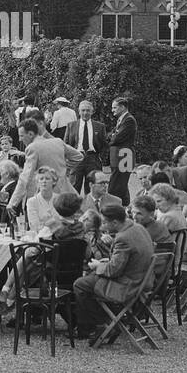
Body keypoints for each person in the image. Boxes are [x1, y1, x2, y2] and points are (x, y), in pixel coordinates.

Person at [73, 203, 154, 343]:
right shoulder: (138, 228)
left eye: (104, 222)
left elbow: (113, 271)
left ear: (115, 222)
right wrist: (106, 262)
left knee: (80, 284)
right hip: (142, 279)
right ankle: (105, 322)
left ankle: (102, 324)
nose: (102, 226)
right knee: (89, 279)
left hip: (127, 285)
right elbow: (122, 262)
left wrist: (98, 266)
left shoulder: (123, 238)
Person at [9, 118, 82, 207]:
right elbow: (78, 157)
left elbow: (25, 178)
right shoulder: (58, 142)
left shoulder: (32, 148)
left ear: (31, 134)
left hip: (45, 197)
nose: (20, 139)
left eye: (21, 136)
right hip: (66, 193)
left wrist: (13, 202)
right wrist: (64, 168)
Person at [63, 100, 107, 191]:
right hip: (76, 159)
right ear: (78, 111)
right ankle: (74, 205)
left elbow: (104, 144)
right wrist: (68, 160)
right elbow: (65, 144)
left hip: (93, 159)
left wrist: (101, 158)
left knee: (92, 188)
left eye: (88, 110)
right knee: (74, 187)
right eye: (83, 110)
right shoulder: (71, 125)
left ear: (92, 111)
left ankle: (91, 205)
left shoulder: (100, 126)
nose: (85, 113)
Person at [107, 97, 137, 204]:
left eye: (114, 107)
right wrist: (113, 137)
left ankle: (112, 207)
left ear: (123, 107)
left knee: (115, 186)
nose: (112, 110)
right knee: (121, 185)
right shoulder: (122, 120)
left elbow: (116, 138)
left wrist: (111, 139)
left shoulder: (129, 120)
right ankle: (125, 208)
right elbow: (112, 135)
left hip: (125, 156)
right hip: (121, 156)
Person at [24, 167, 63, 236]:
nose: (44, 181)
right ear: (37, 183)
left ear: (54, 182)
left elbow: (63, 223)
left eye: (47, 178)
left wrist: (45, 224)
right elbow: (35, 226)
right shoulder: (32, 202)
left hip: (59, 237)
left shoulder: (60, 199)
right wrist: (54, 221)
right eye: (41, 179)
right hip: (39, 239)